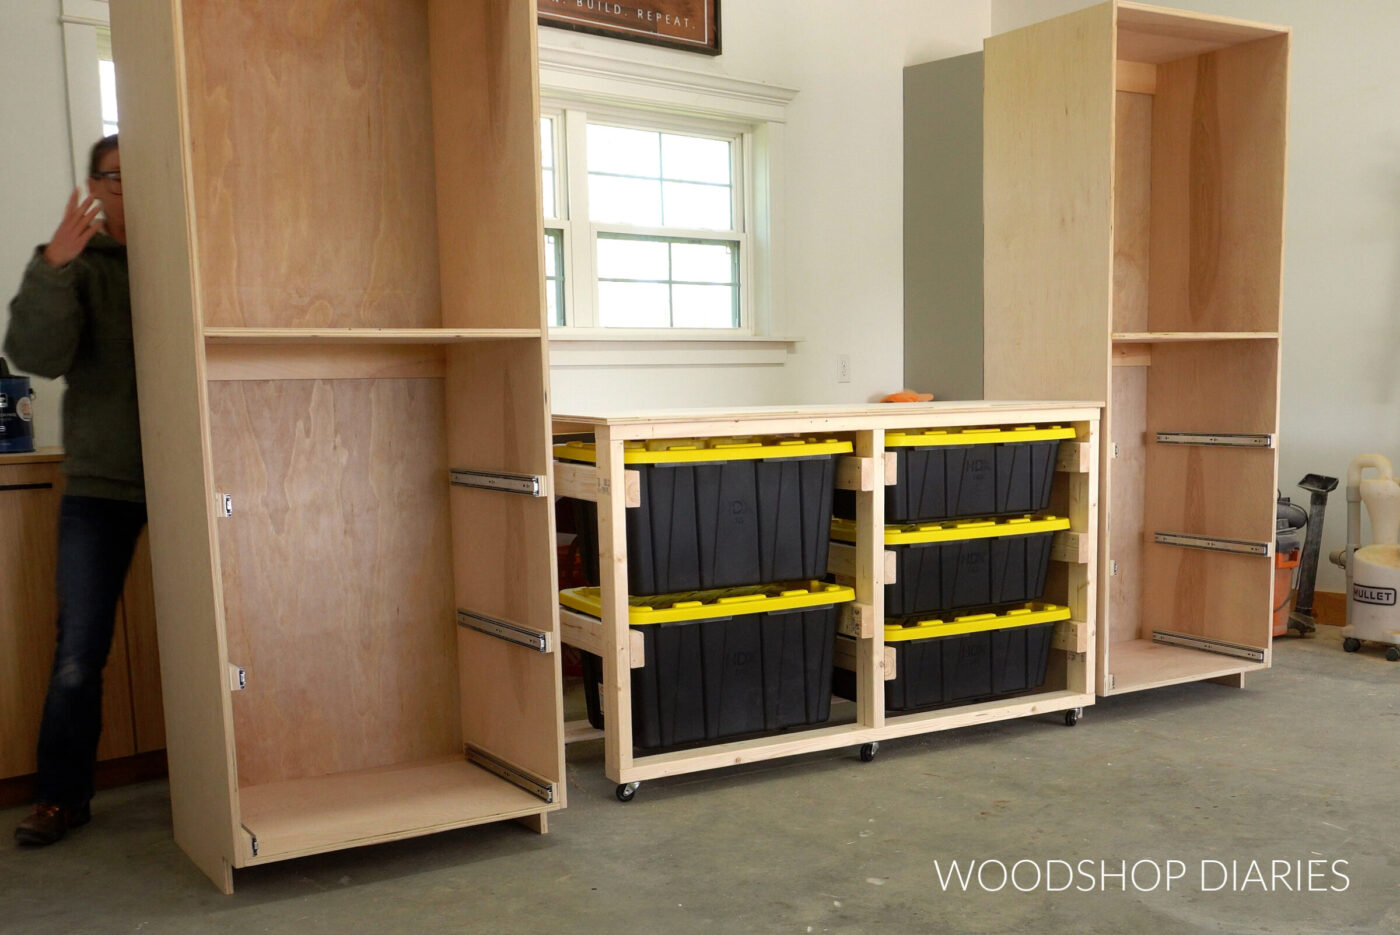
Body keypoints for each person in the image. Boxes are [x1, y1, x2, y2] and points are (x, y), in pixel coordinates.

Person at [6, 135, 146, 846]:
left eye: (143, 172)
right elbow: (35, 356)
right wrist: (53, 266)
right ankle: (61, 798)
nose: (131, 186)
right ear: (97, 184)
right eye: (117, 176)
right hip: (103, 482)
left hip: (200, 477)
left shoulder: (191, 253)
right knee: (78, 650)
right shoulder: (77, 266)